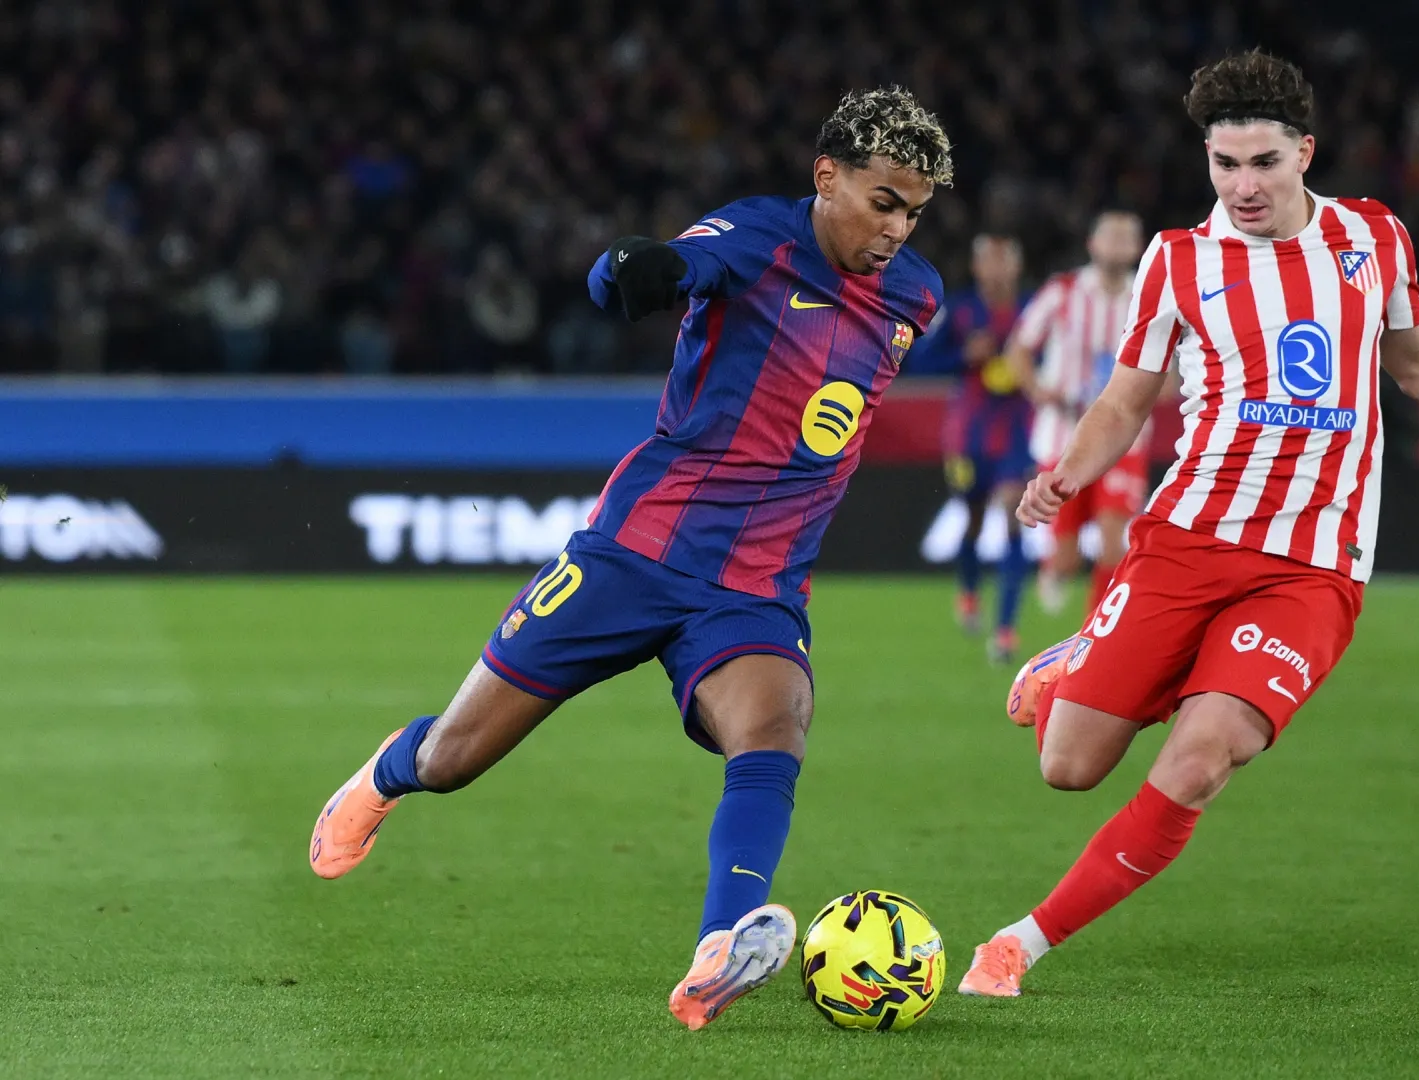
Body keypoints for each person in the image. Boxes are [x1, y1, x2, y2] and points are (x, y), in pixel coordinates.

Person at [958, 50, 1419, 998]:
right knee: (1068, 766)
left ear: (1305, 153)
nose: (1243, 186)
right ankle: (1083, 658)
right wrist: (1068, 474)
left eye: (1264, 163)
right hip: (1187, 539)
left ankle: (1020, 944)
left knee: (1202, 759)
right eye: (1224, 164)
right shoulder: (1177, 260)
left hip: (1312, 568)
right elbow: (1124, 400)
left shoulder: (1374, 237)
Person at [308, 87, 951, 1030]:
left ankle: (720, 948)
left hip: (756, 584)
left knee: (774, 729)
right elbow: (668, 268)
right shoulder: (755, 239)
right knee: (455, 760)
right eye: (883, 202)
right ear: (827, 178)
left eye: (915, 213)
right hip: (636, 551)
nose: (896, 229)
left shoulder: (915, 296)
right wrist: (633, 272)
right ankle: (388, 772)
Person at [1005, 210, 1151, 616]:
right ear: (1092, 244)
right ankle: (1055, 569)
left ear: (1138, 248)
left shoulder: (1149, 296)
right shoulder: (1063, 291)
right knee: (1066, 556)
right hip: (1062, 436)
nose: (1118, 244)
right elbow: (1018, 348)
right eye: (1111, 236)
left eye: (1126, 237)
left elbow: (1171, 371)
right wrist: (1040, 391)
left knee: (1113, 542)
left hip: (1124, 440)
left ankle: (1094, 632)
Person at [931, 234, 1035, 663]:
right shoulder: (958, 310)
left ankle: (1006, 630)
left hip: (1018, 431)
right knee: (973, 519)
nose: (996, 269)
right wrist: (964, 355)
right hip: (968, 435)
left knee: (1013, 513)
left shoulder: (1034, 308)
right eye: (989, 261)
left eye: (1003, 260)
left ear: (1017, 266)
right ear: (976, 268)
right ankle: (969, 590)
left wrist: (1032, 367)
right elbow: (921, 360)